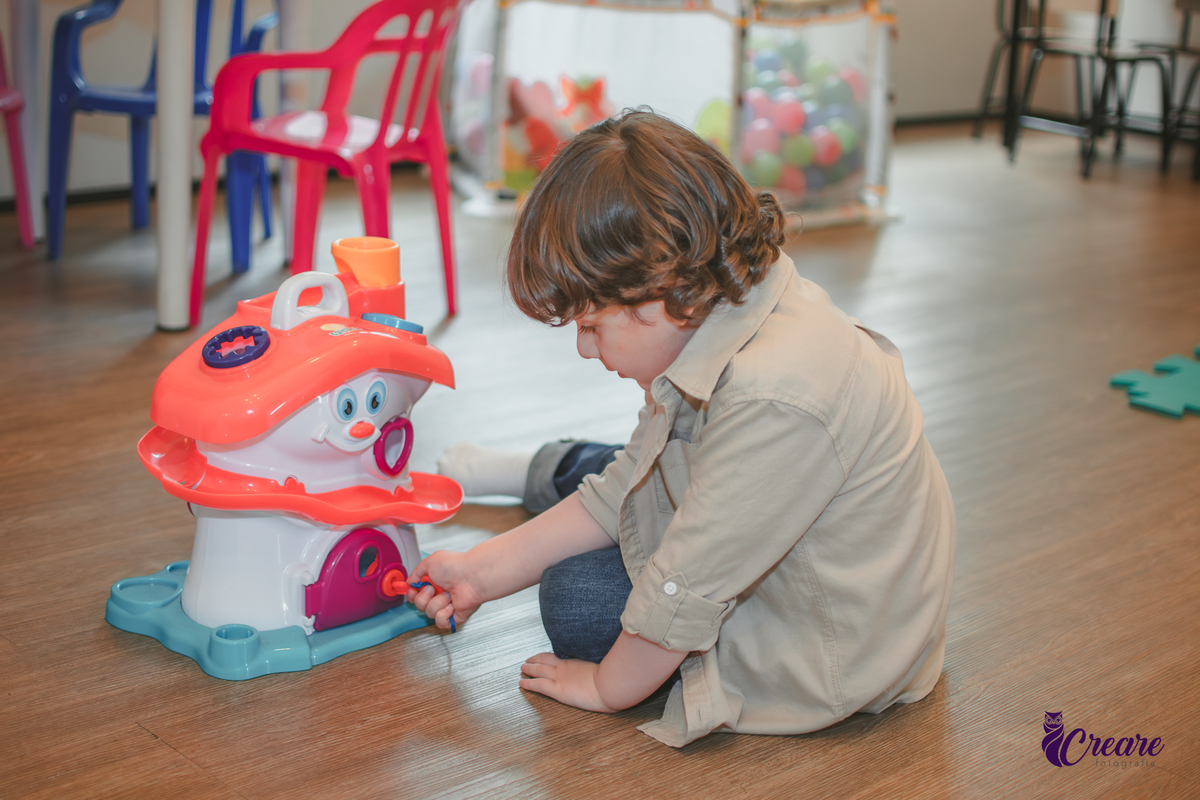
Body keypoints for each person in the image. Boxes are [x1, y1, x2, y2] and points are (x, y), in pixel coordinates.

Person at [407, 109, 956, 748]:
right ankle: (534, 470)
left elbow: (682, 588)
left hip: (829, 655)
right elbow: (624, 486)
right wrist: (477, 572)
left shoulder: (772, 394)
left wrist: (608, 689)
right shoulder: (726, 306)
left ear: (671, 291)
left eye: (591, 326)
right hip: (794, 564)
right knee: (614, 475)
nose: (586, 350)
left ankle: (537, 473)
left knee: (576, 598)